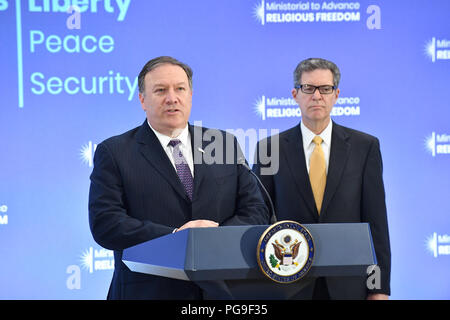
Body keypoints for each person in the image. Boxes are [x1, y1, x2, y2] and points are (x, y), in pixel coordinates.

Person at [89, 56, 269, 299]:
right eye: (161, 90)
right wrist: (177, 237)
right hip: (149, 291)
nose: (172, 98)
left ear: (190, 95)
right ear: (142, 99)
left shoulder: (224, 143)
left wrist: (217, 238)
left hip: (223, 292)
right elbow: (106, 224)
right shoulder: (115, 152)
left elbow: (256, 210)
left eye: (180, 89)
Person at [252, 58, 391, 300]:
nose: (317, 96)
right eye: (309, 88)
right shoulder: (269, 149)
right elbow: (259, 219)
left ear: (336, 95)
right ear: (295, 94)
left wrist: (378, 288)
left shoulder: (364, 147)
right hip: (287, 284)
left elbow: (376, 224)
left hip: (349, 286)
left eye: (325, 89)